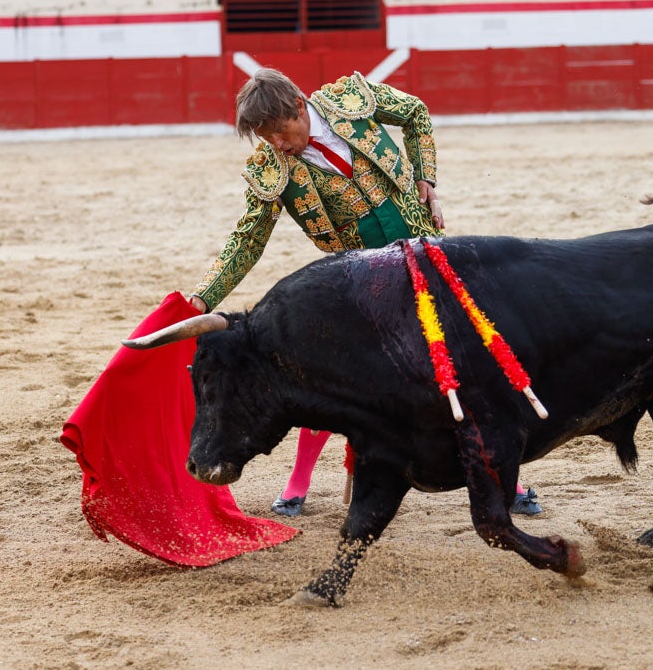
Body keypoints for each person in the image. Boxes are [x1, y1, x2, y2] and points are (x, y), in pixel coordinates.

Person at [188, 69, 542, 518]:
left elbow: (415, 113)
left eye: (279, 131)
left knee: (458, 365)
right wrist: (201, 298)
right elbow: (249, 239)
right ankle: (299, 483)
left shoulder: (351, 101)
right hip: (360, 281)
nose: (276, 144)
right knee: (327, 378)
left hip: (424, 253)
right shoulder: (270, 168)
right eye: (265, 137)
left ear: (299, 106)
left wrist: (425, 179)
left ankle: (506, 477)